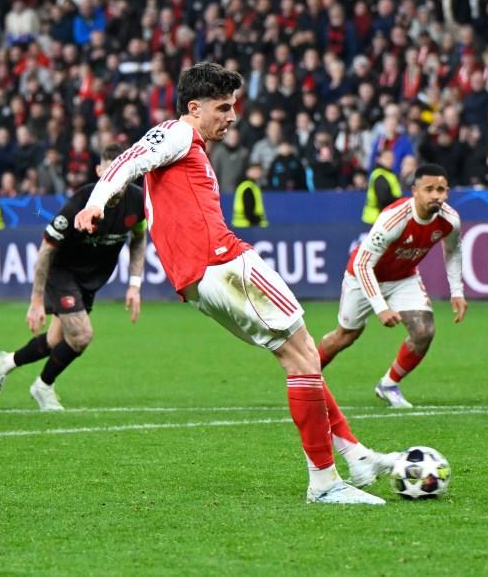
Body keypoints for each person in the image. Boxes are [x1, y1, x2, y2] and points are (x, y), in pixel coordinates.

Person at [71, 62, 391, 505]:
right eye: (222, 108)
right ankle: (324, 482)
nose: (232, 116)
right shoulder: (177, 134)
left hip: (200, 278)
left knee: (298, 355)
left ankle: (355, 455)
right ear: (194, 108)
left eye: (233, 106)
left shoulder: (190, 148)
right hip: (222, 262)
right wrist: (95, 203)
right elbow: (128, 160)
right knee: (303, 357)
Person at [0, 144, 146, 410]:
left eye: (121, 173)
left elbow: (139, 238)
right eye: (110, 173)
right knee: (81, 335)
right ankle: (43, 386)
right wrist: (36, 301)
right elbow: (46, 249)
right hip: (63, 272)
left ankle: (7, 362)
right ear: (99, 171)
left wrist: (134, 285)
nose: (116, 180)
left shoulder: (138, 202)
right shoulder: (80, 202)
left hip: (90, 280)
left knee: (55, 341)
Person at [317, 163, 467, 408]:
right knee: (346, 335)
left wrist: (457, 292)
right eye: (429, 189)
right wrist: (381, 308)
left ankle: (388, 385)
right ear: (415, 191)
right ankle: (307, 376)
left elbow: (453, 251)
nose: (435, 195)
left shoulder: (450, 220)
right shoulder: (394, 219)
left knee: (424, 332)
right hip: (363, 276)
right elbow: (363, 264)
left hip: (403, 278)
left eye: (441, 190)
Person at [361, 149, 401, 225]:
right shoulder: (380, 175)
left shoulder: (389, 174)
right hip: (376, 218)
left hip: (382, 217)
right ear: (379, 159)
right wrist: (400, 200)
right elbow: (383, 198)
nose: (390, 160)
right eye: (387, 158)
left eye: (392, 158)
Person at [231, 161, 268, 228]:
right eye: (254, 169)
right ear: (248, 171)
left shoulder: (249, 185)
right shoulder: (248, 187)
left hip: (242, 225)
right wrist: (257, 222)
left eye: (259, 170)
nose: (258, 172)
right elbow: (248, 208)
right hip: (246, 226)